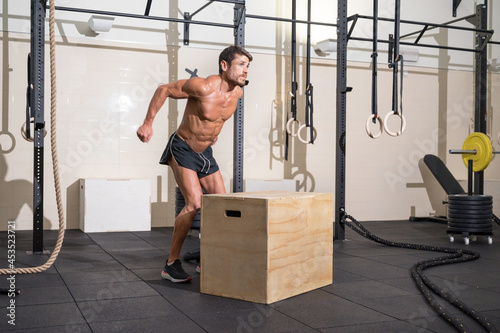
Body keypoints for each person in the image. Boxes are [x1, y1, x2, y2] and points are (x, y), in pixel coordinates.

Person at [137, 45, 253, 282]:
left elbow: (215, 118)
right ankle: (171, 264)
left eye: (248, 66)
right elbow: (164, 89)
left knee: (221, 204)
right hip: (182, 148)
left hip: (205, 153)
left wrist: (212, 134)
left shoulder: (237, 93)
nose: (245, 71)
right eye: (241, 64)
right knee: (194, 204)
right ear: (224, 65)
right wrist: (148, 124)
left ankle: (206, 256)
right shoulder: (203, 86)